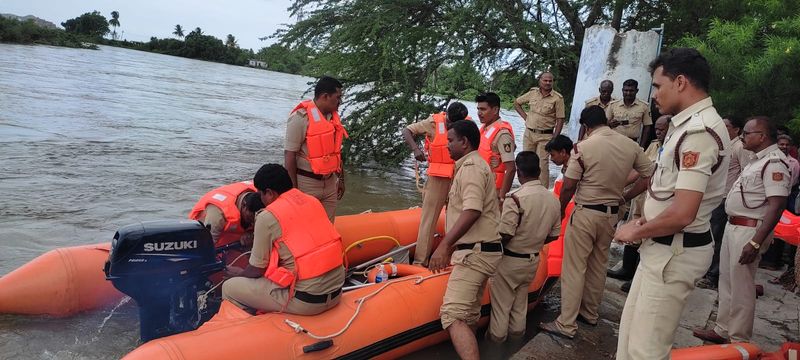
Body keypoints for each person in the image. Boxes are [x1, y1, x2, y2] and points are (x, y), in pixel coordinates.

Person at [614, 48, 731, 360]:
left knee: (646, 350)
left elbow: (683, 213)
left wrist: (635, 231)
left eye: (656, 85)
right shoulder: (684, 125)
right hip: (661, 245)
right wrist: (645, 224)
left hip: (674, 250)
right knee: (629, 339)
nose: (653, 94)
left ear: (680, 82)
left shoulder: (700, 132)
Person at [538, 105, 654, 339]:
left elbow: (569, 185)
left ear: (586, 126)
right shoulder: (631, 146)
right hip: (611, 215)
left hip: (586, 213)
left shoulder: (583, 147)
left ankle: (566, 323)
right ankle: (589, 313)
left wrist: (560, 210)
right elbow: (650, 174)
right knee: (598, 266)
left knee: (574, 268)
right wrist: (627, 196)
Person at [693, 116, 790, 343]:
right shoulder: (757, 160)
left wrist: (756, 242)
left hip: (749, 230)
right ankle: (722, 329)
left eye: (747, 133)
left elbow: (777, 206)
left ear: (762, 136)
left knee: (742, 287)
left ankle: (738, 339)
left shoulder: (774, 162)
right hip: (735, 226)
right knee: (727, 280)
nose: (742, 136)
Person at [222, 164, 345, 315]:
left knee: (229, 287)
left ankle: (248, 332)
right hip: (337, 292)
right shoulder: (312, 201)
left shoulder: (266, 217)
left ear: (269, 193)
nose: (261, 199)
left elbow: (256, 269)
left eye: (261, 194)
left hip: (306, 301)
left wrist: (238, 274)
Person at [428, 120, 503, 360]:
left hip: (476, 253)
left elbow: (472, 210)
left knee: (452, 314)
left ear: (465, 142)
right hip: (482, 249)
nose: (447, 145)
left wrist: (444, 245)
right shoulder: (475, 165)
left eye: (451, 141)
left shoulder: (471, 167)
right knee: (469, 315)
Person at [487, 151, 561, 343]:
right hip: (533, 260)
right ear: (538, 170)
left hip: (511, 259)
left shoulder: (516, 198)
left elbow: (506, 233)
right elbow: (553, 235)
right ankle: (517, 340)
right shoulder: (553, 199)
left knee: (501, 307)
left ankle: (496, 345)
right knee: (520, 304)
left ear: (518, 172)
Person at [401, 102, 470, 266]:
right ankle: (420, 261)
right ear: (447, 117)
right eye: (451, 124)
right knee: (428, 219)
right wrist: (415, 149)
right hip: (438, 177)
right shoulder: (433, 122)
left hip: (458, 176)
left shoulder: (467, 124)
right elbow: (407, 130)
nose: (454, 127)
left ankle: (453, 258)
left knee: (457, 218)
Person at [610, 115, 671, 293]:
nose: (659, 133)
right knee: (634, 229)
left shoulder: (674, 149)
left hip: (656, 198)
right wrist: (618, 187)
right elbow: (639, 171)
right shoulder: (654, 145)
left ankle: (638, 275)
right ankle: (627, 269)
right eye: (657, 129)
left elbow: (648, 176)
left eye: (662, 129)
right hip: (641, 196)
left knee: (646, 235)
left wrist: (625, 196)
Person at [696, 116, 752, 289]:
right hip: (715, 196)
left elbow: (745, 172)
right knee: (709, 233)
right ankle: (705, 271)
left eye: (727, 126)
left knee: (716, 236)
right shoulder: (724, 145)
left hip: (726, 196)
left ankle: (713, 275)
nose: (723, 128)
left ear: (737, 129)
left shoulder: (739, 147)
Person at [284, 76, 347, 222]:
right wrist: (293, 191)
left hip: (330, 183)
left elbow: (337, 153)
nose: (340, 102)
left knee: (327, 227)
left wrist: (341, 180)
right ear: (325, 96)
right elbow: (289, 155)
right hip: (307, 183)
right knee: (304, 226)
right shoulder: (300, 118)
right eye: (338, 97)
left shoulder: (333, 119)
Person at [514, 72, 566, 188]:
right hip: (529, 134)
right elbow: (517, 103)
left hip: (545, 137)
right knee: (525, 162)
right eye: (545, 80)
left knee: (542, 164)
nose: (547, 83)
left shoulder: (557, 98)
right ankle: (525, 188)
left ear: (553, 82)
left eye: (550, 81)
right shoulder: (532, 93)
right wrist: (526, 118)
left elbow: (560, 119)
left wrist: (555, 139)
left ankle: (542, 191)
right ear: (540, 80)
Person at [188, 181, 264, 247]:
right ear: (244, 206)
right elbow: (205, 247)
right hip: (211, 238)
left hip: (237, 236)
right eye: (251, 219)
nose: (253, 223)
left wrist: (251, 234)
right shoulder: (217, 215)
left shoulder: (264, 194)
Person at [476, 92, 516, 199]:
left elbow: (511, 168)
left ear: (495, 110)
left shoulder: (502, 134)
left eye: (483, 109)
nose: (479, 113)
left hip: (494, 190)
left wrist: (502, 196)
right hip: (481, 184)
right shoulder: (484, 129)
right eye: (478, 109)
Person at [606, 79, 653, 147]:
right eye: (626, 90)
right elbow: (604, 124)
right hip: (614, 142)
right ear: (622, 90)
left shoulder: (644, 106)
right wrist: (610, 124)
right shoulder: (613, 105)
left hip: (632, 143)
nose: (628, 93)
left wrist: (641, 146)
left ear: (637, 91)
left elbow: (647, 127)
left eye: (631, 91)